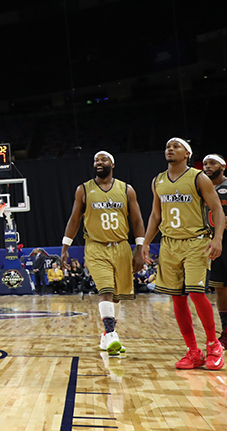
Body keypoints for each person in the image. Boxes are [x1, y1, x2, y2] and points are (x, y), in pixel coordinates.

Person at [140, 138, 226, 370]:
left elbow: (217, 209)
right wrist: (145, 242)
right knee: (178, 299)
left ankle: (213, 346)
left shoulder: (199, 177)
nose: (170, 149)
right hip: (169, 245)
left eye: (176, 146)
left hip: (196, 242)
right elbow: (155, 216)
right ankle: (193, 351)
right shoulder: (157, 181)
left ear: (187, 154)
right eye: (167, 146)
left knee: (197, 294)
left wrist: (217, 238)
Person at [61, 151, 146, 355]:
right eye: (96, 160)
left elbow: (137, 221)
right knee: (105, 290)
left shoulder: (127, 190)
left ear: (112, 164)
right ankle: (110, 334)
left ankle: (107, 335)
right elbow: (74, 220)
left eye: (103, 159)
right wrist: (65, 247)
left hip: (122, 247)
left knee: (117, 296)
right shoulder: (84, 189)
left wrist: (140, 250)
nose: (99, 162)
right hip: (96, 246)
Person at [201, 154, 227, 348]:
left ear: (223, 166)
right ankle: (225, 331)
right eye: (205, 164)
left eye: (212, 163)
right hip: (213, 243)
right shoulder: (203, 189)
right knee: (220, 288)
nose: (207, 167)